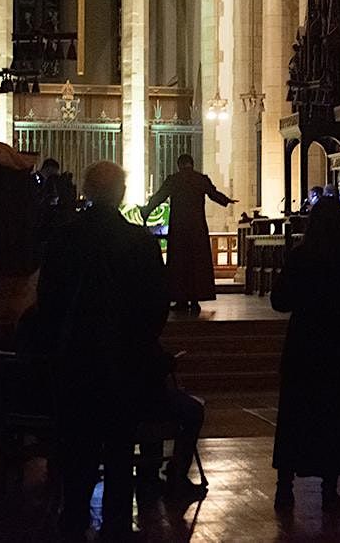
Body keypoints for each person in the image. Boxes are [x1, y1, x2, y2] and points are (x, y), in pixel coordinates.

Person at [40, 161, 171, 537]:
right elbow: (156, 302)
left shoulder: (63, 239)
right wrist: (140, 342)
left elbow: (48, 300)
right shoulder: (140, 241)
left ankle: (74, 517)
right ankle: (116, 523)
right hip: (124, 362)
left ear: (86, 192)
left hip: (74, 360)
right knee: (118, 451)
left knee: (76, 449)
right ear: (121, 194)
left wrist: (59, 343)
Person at [270, 197, 340, 512]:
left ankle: (285, 487)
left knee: (295, 415)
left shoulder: (301, 256)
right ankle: (330, 488)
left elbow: (279, 301)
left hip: (305, 345)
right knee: (335, 416)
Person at [142, 154, 237, 314]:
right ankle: (195, 299)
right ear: (192, 164)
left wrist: (146, 211)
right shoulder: (201, 179)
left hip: (179, 228)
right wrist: (227, 200)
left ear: (179, 165)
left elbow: (159, 197)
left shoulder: (174, 179)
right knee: (196, 264)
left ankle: (180, 299)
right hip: (197, 228)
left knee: (179, 264)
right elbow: (214, 194)